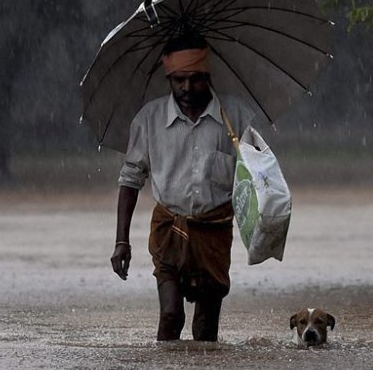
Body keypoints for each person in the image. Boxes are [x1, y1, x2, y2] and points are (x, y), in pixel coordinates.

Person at [110, 33, 261, 342]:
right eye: (179, 80)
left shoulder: (237, 118)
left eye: (195, 79)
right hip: (168, 229)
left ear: (208, 76)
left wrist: (260, 231)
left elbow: (258, 179)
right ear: (168, 77)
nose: (187, 88)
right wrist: (121, 241)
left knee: (206, 327)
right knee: (170, 314)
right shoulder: (149, 120)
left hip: (214, 231)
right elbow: (130, 180)